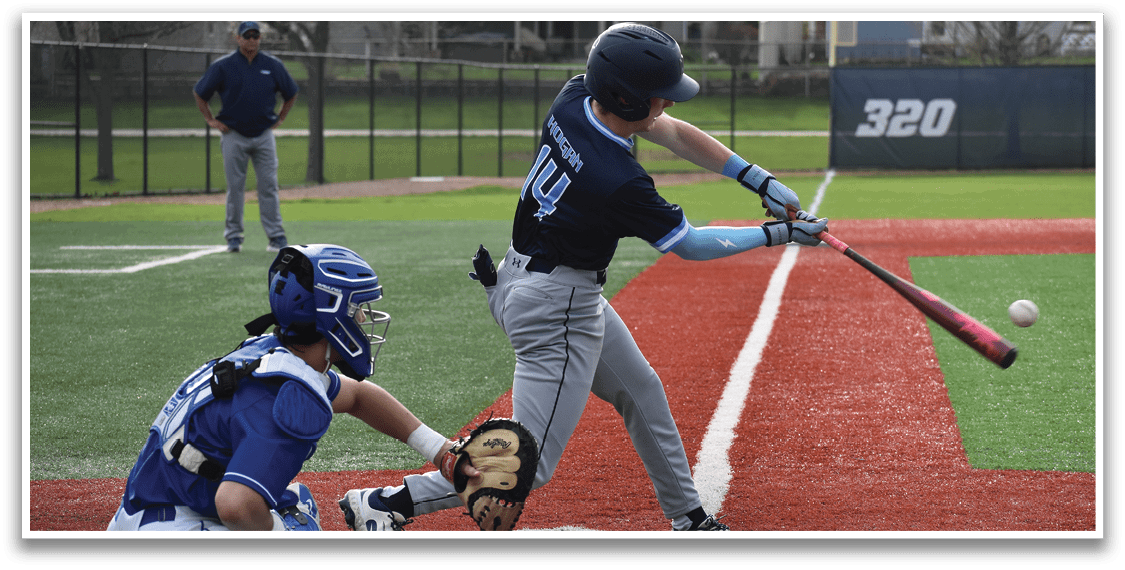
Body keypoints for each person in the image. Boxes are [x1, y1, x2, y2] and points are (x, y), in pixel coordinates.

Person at [340, 22, 826, 532]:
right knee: (528, 464)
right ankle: (390, 502)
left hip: (527, 280)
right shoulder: (617, 180)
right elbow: (690, 245)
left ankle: (688, 516)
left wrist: (756, 178)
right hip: (557, 306)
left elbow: (673, 133)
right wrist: (778, 235)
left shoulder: (575, 97)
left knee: (641, 391)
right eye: (660, 96)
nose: (669, 105)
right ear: (629, 99)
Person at [107, 244, 476, 531]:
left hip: (143, 508)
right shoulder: (295, 400)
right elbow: (235, 504)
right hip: (175, 522)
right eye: (356, 309)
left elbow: (361, 397)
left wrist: (442, 451)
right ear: (329, 314)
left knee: (292, 501)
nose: (364, 319)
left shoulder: (269, 352)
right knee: (295, 520)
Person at [193, 21, 297, 253]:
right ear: (237, 38)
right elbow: (200, 93)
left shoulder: (272, 65)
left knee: (269, 186)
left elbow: (290, 93)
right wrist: (211, 120)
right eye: (247, 36)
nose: (252, 40)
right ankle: (233, 237)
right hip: (233, 135)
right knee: (235, 187)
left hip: (263, 135)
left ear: (260, 38)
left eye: (255, 36)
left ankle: (276, 236)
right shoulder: (224, 66)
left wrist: (280, 118)